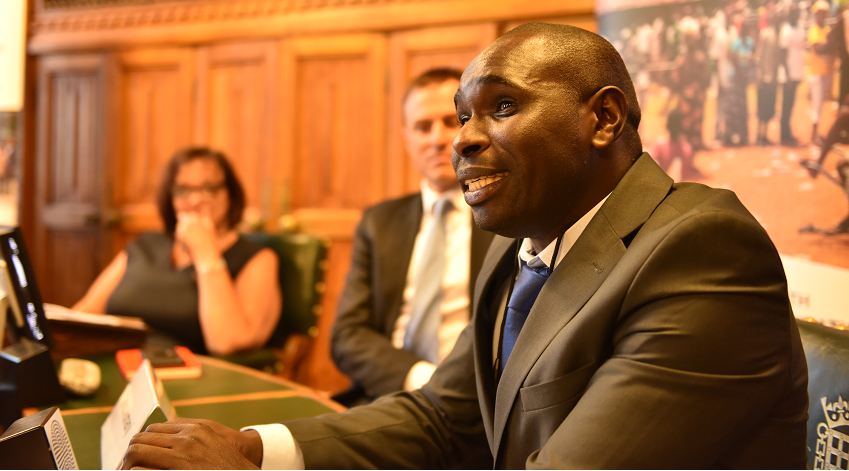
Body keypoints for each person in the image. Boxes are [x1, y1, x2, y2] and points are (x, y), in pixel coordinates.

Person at [121, 24, 807, 469]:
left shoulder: (699, 247)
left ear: (601, 119)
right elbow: (441, 416)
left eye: (501, 108)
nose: (461, 140)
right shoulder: (521, 249)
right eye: (460, 117)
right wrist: (253, 449)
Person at [331, 68, 494, 405]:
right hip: (389, 394)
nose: (436, 139)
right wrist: (422, 378)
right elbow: (348, 337)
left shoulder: (507, 219)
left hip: (475, 403)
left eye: (451, 121)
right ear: (406, 138)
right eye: (422, 127)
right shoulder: (380, 221)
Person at [73, 147, 282, 356]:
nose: (195, 200)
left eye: (209, 188)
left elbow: (226, 343)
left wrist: (205, 251)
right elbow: (86, 313)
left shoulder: (257, 258)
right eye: (183, 189)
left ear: (230, 194)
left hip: (189, 375)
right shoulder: (143, 246)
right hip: (115, 361)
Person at [808, 0, 834, 145]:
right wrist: (828, 44)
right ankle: (813, 135)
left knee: (821, 104)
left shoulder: (826, 30)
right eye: (819, 13)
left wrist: (828, 44)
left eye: (824, 13)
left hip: (825, 72)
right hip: (816, 72)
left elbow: (831, 47)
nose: (821, 16)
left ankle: (816, 133)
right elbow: (819, 48)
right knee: (816, 105)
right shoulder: (814, 30)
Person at [779, 4, 805, 146]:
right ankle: (783, 134)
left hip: (796, 74)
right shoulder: (785, 30)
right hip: (787, 76)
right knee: (786, 105)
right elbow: (782, 55)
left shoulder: (799, 29)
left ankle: (787, 131)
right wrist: (788, 76)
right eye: (793, 12)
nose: (795, 14)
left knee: (791, 104)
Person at [754, 9, 780, 146]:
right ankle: (759, 135)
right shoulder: (765, 33)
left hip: (773, 79)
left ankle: (765, 135)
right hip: (764, 77)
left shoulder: (778, 34)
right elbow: (758, 57)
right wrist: (758, 75)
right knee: (762, 108)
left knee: (770, 107)